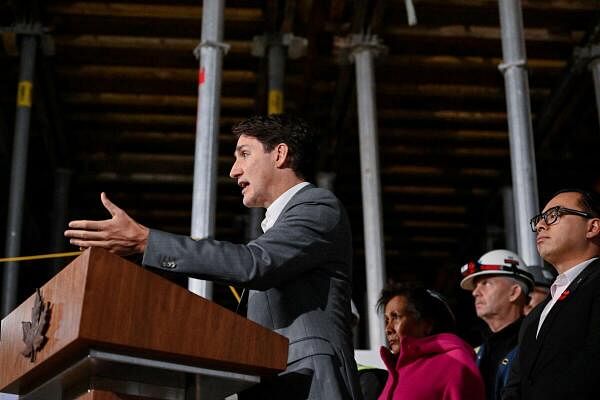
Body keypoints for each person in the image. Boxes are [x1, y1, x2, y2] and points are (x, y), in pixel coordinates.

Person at [64, 114, 362, 399]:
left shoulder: (318, 206)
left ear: (280, 154)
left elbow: (253, 264)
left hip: (313, 385)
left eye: (244, 154)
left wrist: (147, 241)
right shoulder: (282, 223)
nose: (234, 170)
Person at [502, 189, 600, 399]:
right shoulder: (536, 314)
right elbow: (515, 384)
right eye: (539, 219)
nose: (539, 225)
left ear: (592, 227)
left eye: (554, 215)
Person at [377, 282, 485, 400]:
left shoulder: (454, 362)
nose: (388, 329)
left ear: (426, 324)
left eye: (396, 317)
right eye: (387, 320)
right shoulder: (396, 370)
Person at [459, 249, 534, 400]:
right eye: (476, 286)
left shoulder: (535, 345)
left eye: (486, 283)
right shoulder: (477, 352)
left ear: (514, 292)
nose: (475, 292)